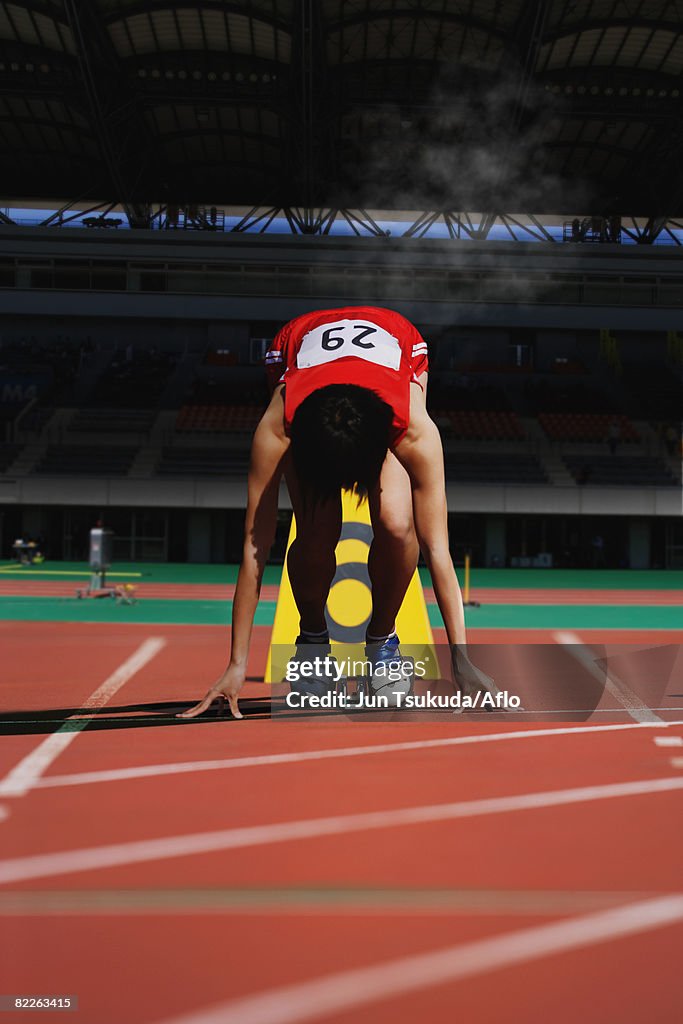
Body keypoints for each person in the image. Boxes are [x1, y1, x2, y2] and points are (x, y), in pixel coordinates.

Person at [180, 306, 494, 720]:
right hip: (295, 351)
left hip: (399, 345)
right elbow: (255, 548)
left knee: (399, 526)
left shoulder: (415, 427)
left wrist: (462, 660)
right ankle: (313, 644)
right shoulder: (279, 424)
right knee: (315, 531)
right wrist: (236, 665)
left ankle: (382, 642)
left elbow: (438, 549)